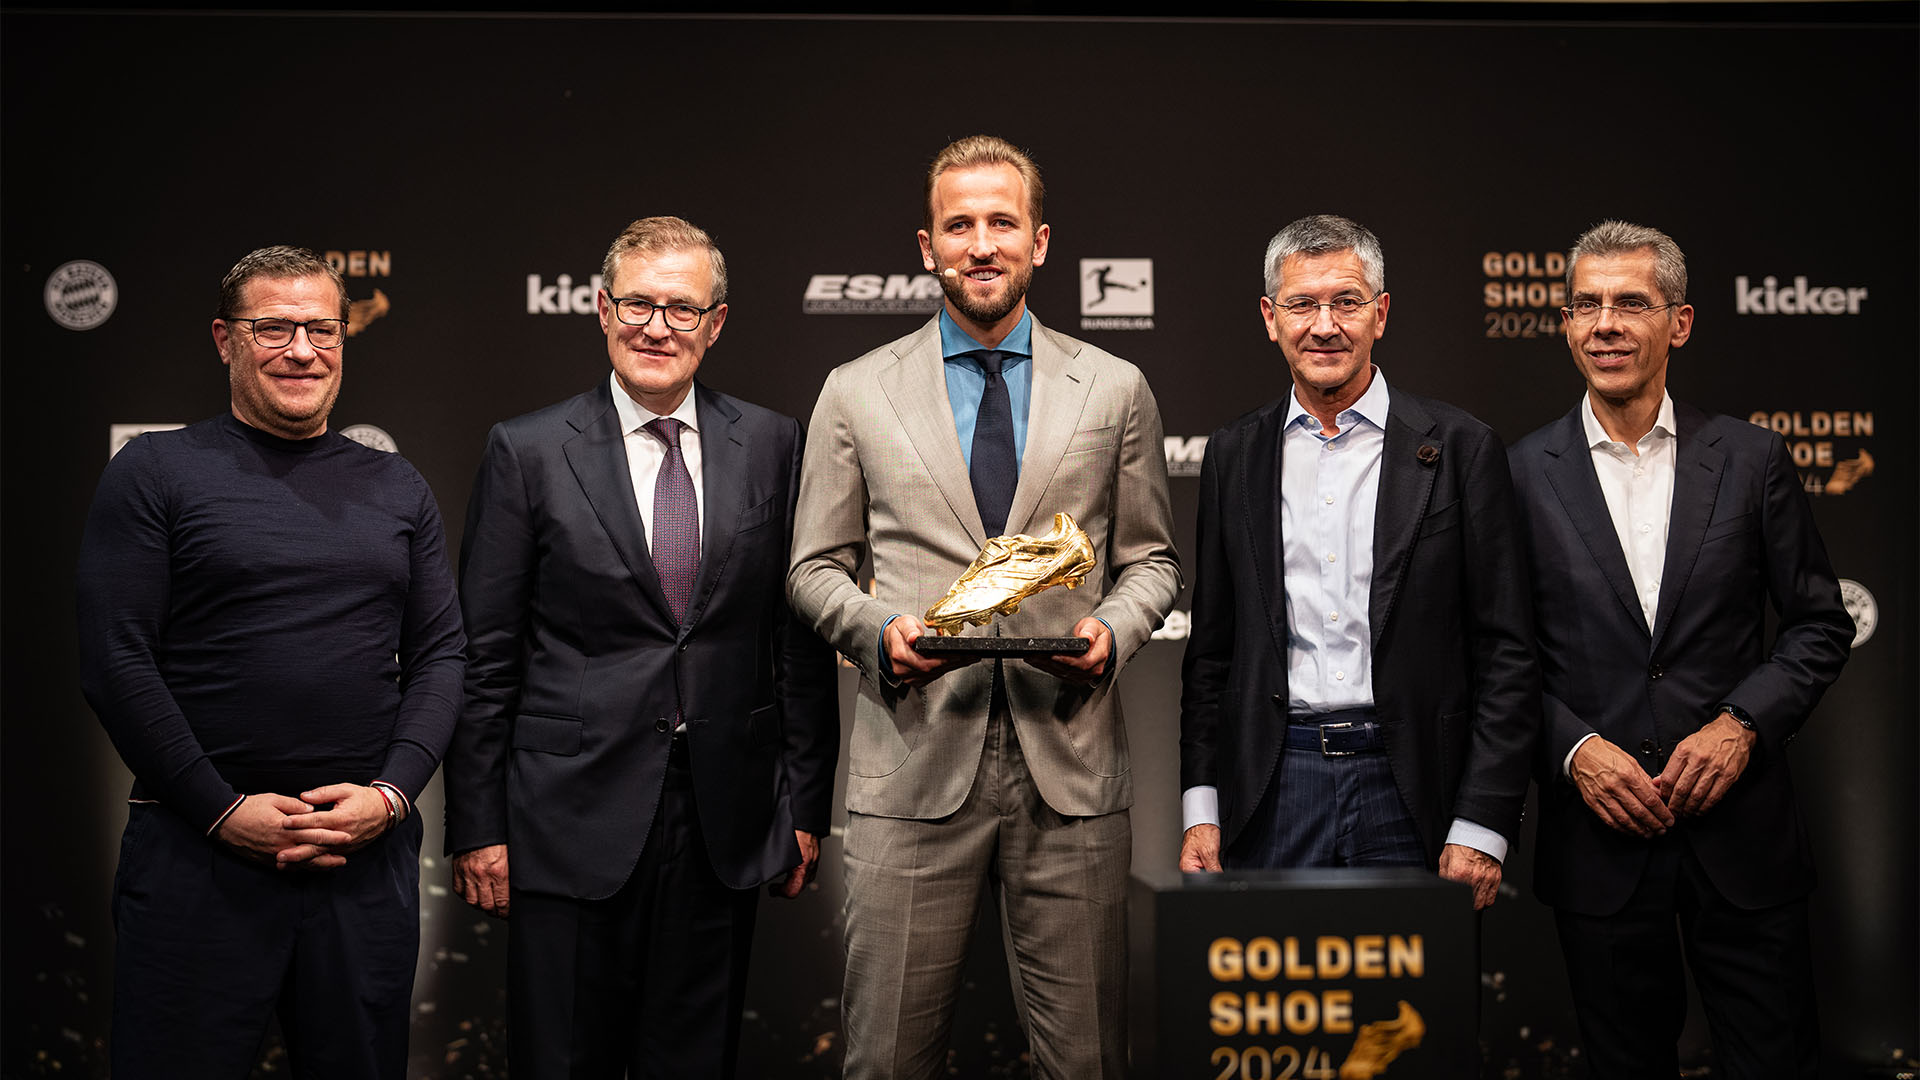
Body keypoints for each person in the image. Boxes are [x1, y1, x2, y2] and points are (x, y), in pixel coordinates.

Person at [787, 135, 1180, 1079]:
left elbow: (1153, 563)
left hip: (1073, 769)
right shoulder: (855, 391)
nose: (981, 243)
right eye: (958, 225)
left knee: (1086, 1063)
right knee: (884, 1061)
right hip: (913, 764)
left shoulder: (1115, 387)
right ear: (926, 247)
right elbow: (813, 569)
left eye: (1002, 222)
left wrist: (1114, 631)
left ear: (1040, 241)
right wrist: (878, 631)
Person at [444, 216, 837, 1080]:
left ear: (718, 322)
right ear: (600, 309)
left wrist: (805, 805)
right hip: (561, 820)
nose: (658, 327)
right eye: (638, 305)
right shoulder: (528, 450)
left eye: (682, 309)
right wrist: (478, 824)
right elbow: (486, 656)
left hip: (721, 822)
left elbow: (796, 641)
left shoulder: (775, 444)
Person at [75, 245, 466, 1078]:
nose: (301, 350)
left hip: (363, 861)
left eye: (321, 329)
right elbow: (117, 659)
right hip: (196, 858)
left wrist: (392, 796)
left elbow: (441, 654)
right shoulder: (154, 471)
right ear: (225, 339)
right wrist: (220, 810)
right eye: (273, 328)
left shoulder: (398, 486)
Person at [1510, 220, 1850, 1077]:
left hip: (1744, 839)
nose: (1606, 324)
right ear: (1565, 324)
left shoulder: (1752, 458)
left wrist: (1742, 724)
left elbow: (1819, 623)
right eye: (1585, 305)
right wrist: (1577, 750)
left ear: (1681, 322)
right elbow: (1499, 657)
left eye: (1631, 302)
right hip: (1599, 842)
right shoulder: (1516, 473)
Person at [1177, 215, 1537, 910]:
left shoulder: (1463, 449)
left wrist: (1483, 824)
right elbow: (1212, 654)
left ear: (1381, 313)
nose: (1324, 325)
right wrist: (1201, 806)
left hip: (1416, 796)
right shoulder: (1233, 455)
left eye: (1346, 301)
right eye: (1302, 304)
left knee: (1415, 1018)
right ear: (1269, 318)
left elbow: (1507, 654)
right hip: (1273, 792)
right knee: (1279, 1019)